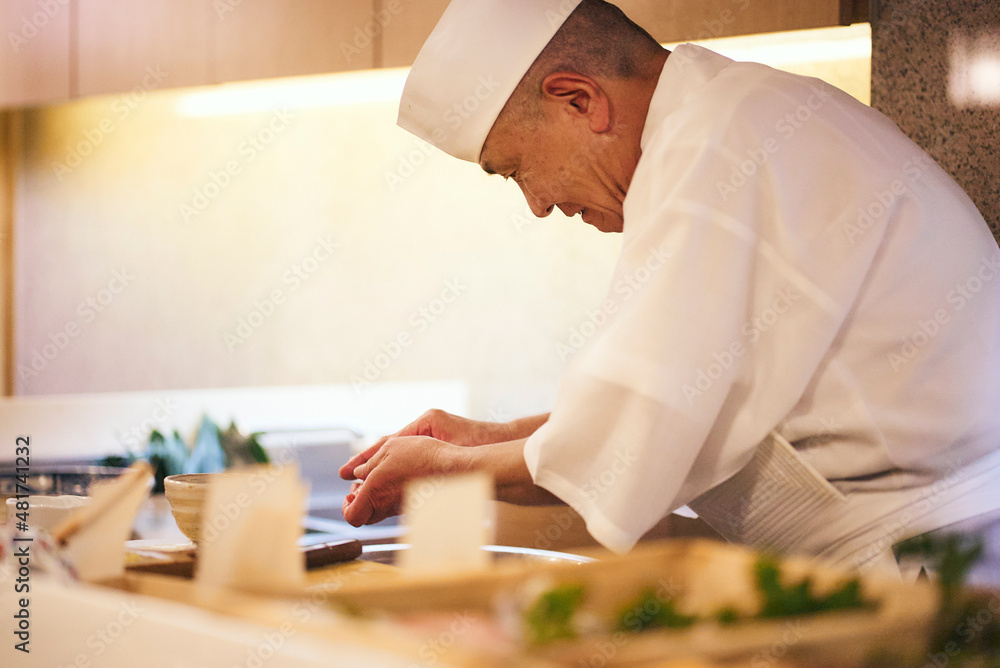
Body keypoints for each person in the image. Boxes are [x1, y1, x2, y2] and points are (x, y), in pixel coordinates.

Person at [340, 0, 1000, 581]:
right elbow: (676, 397)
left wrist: (449, 467)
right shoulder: (739, 113)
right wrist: (490, 437)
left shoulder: (714, 142)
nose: (537, 203)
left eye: (516, 169)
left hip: (931, 571)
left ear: (578, 100)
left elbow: (630, 439)